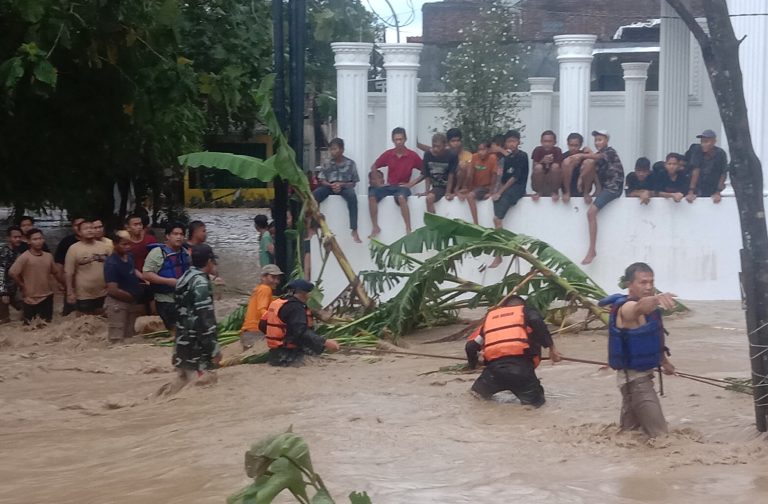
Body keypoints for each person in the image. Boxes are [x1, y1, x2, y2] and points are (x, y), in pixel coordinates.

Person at [598, 262, 676, 438]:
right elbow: (639, 307)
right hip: (635, 382)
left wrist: (664, 361)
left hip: (635, 381)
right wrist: (656, 299)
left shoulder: (650, 311)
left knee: (630, 436)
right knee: (661, 437)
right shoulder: (626, 308)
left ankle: (625, 464)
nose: (648, 287)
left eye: (651, 282)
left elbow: (656, 338)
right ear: (629, 285)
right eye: (643, 282)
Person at [465, 295, 561, 406]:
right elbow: (536, 320)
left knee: (475, 396)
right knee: (536, 407)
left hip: (493, 373)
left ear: (504, 307)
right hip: (522, 372)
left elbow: (471, 347)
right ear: (522, 306)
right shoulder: (525, 311)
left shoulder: (490, 320)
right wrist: (551, 348)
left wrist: (473, 365)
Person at [570, 130, 624, 265]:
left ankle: (592, 249)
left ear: (606, 140)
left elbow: (598, 158)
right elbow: (592, 163)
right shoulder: (597, 155)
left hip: (613, 188)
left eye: (600, 140)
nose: (597, 142)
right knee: (589, 162)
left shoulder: (610, 152)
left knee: (591, 213)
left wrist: (582, 155)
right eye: (596, 140)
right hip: (603, 187)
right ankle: (590, 191)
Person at [172, 244, 222, 388]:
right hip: (197, 349)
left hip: (181, 346)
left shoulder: (183, 278)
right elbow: (205, 320)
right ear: (208, 262)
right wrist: (214, 349)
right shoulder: (201, 283)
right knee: (204, 387)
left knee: (183, 385)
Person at [259, 279, 339, 367]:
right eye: (309, 293)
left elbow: (262, 325)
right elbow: (301, 332)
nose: (310, 296)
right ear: (302, 293)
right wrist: (324, 342)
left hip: (274, 356)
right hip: (289, 356)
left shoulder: (278, 303)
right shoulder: (296, 308)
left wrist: (280, 337)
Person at [369, 127, 423, 236]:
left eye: (400, 139)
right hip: (389, 186)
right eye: (396, 140)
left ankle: (408, 228)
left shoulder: (412, 156)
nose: (398, 142)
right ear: (392, 140)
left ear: (405, 139)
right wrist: (379, 184)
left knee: (401, 198)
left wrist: (411, 184)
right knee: (372, 195)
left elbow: (425, 171)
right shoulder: (389, 154)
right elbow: (374, 166)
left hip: (402, 187)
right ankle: (375, 227)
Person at [488, 130, 528, 268]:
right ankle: (499, 253)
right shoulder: (505, 158)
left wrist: (499, 192)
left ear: (518, 142)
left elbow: (514, 178)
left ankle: (499, 253)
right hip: (505, 188)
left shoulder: (522, 156)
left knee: (497, 219)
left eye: (514, 141)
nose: (511, 144)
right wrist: (494, 191)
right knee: (496, 215)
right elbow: (502, 177)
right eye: (509, 141)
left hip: (517, 188)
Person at [313, 138, 362, 243]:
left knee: (352, 197)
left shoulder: (350, 164)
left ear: (342, 150)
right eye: (331, 149)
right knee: (315, 195)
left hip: (344, 187)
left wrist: (341, 184)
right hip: (329, 186)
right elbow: (321, 179)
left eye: (335, 149)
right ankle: (314, 225)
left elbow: (354, 182)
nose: (332, 152)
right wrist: (331, 185)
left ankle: (354, 229)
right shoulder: (327, 163)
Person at [143, 222, 189, 330]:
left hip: (182, 298)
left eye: (181, 234)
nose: (179, 237)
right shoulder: (157, 253)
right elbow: (147, 274)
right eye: (175, 234)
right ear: (168, 236)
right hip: (165, 299)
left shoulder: (185, 253)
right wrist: (168, 281)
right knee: (176, 330)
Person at [9, 228, 59, 324]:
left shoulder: (48, 256)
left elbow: (55, 273)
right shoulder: (24, 257)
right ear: (28, 241)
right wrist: (22, 285)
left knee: (47, 325)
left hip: (47, 296)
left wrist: (63, 286)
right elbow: (12, 273)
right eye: (35, 239)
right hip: (30, 298)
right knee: (30, 327)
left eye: (40, 238)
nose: (38, 242)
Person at [104, 231, 146, 342]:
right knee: (116, 338)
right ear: (115, 244)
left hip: (130, 301)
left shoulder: (129, 256)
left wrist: (144, 278)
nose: (128, 247)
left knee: (129, 336)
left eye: (129, 244)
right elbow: (112, 290)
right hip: (117, 304)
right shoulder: (111, 263)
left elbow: (133, 270)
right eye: (124, 244)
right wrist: (131, 297)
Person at [65, 219, 112, 315]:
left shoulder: (105, 247)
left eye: (92, 228)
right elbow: (68, 272)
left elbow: (113, 266)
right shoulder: (74, 248)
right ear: (79, 232)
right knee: (85, 322)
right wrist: (70, 292)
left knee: (103, 319)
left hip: (103, 292)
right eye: (86, 228)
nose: (90, 230)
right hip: (83, 294)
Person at [240, 264, 284, 349]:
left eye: (278, 278)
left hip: (247, 333)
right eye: (273, 277)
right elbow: (262, 310)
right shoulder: (265, 289)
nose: (276, 281)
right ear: (264, 277)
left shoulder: (259, 289)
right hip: (255, 333)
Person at [415, 133, 458, 214]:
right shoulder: (428, 154)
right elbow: (426, 174)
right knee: (429, 198)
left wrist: (448, 191)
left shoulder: (452, 155)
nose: (435, 149)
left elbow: (451, 175)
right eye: (433, 146)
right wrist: (426, 191)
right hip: (438, 187)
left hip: (451, 185)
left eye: (438, 146)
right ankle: (434, 221)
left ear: (445, 145)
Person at [686, 129, 728, 203]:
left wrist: (718, 191)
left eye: (706, 142)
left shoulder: (720, 153)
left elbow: (723, 173)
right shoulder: (697, 150)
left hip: (713, 185)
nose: (703, 144)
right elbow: (696, 170)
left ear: (714, 142)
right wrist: (691, 190)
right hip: (699, 185)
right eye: (702, 142)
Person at [460, 140, 498, 225]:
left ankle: (475, 223)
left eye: (483, 150)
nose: (481, 152)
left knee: (470, 196)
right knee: (461, 193)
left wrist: (491, 192)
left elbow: (494, 176)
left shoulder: (493, 158)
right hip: (475, 186)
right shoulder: (474, 157)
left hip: (485, 187)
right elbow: (470, 174)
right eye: (479, 150)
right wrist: (467, 187)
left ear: (488, 150)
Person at [54, 216, 85, 315]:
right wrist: (62, 282)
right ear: (72, 227)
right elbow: (59, 265)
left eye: (82, 225)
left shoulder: (96, 243)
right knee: (69, 315)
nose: (79, 228)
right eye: (77, 225)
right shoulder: (66, 242)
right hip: (71, 284)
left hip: (90, 287)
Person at [531, 130, 565, 201]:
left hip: (552, 180)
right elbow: (534, 168)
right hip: (539, 180)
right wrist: (542, 161)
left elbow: (559, 170)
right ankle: (539, 192)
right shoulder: (537, 150)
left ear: (554, 142)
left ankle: (554, 192)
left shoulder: (557, 150)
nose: (547, 144)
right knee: (538, 167)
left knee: (555, 167)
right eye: (545, 141)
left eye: (549, 141)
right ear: (541, 142)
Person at [0, 226, 24, 323]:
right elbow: (1, 272)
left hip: (13, 288)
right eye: (15, 237)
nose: (18, 239)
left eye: (19, 237)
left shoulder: (17, 251)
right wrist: (3, 293)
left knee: (26, 309)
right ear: (8, 238)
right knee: (4, 319)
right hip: (3, 289)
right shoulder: (4, 252)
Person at [561, 132, 589, 203]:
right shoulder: (563, 156)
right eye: (571, 145)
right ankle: (567, 192)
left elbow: (595, 162)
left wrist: (589, 152)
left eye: (576, 145)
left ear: (580, 145)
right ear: (567, 144)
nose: (573, 148)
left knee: (590, 162)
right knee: (566, 163)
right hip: (567, 188)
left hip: (582, 188)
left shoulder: (585, 155)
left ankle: (586, 193)